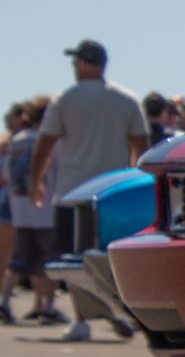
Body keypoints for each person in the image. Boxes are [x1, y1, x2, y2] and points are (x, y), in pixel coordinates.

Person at [30, 40, 149, 340]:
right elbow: (142, 148)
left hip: (73, 193)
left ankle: (83, 318)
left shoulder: (64, 99)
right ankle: (122, 310)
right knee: (115, 260)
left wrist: (37, 182)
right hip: (115, 195)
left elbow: (44, 145)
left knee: (74, 259)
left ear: (84, 64)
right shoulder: (127, 99)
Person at [1, 98, 64, 325]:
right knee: (52, 264)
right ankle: (48, 307)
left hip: (21, 212)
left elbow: (9, 176)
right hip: (46, 212)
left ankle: (4, 302)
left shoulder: (15, 141)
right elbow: (59, 172)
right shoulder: (50, 142)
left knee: (17, 262)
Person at [0, 104, 19, 288]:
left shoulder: (9, 142)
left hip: (9, 200)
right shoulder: (9, 142)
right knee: (6, 253)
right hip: (8, 201)